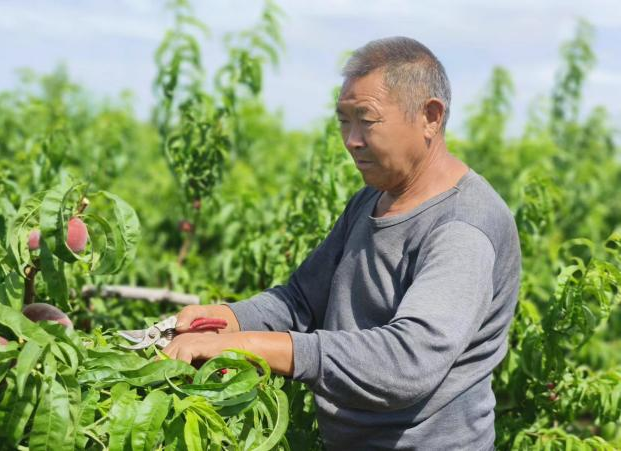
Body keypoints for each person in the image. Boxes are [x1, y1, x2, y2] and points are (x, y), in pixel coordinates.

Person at [164, 36, 521, 450]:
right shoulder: (373, 199)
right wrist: (227, 318)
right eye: (343, 121)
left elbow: (407, 361)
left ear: (431, 117)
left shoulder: (462, 226)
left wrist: (245, 346)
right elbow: (301, 300)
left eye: (366, 120)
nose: (351, 139)